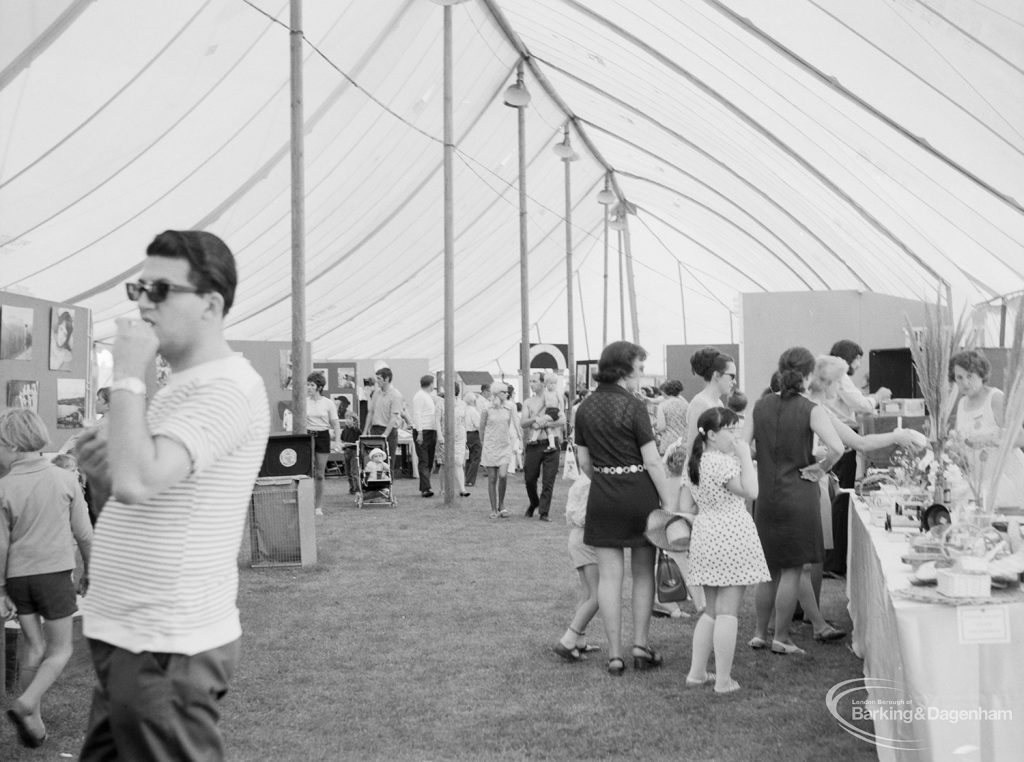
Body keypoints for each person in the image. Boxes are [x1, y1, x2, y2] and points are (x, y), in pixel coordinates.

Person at [74, 229, 270, 760]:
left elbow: (139, 482)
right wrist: (102, 472)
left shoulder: (225, 387)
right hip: (135, 634)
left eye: (159, 290)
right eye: (139, 288)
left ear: (210, 304)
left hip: (166, 641)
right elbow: (142, 489)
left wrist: (129, 373)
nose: (142, 303)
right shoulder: (186, 387)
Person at [574, 341, 674, 676]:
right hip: (639, 496)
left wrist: (606, 477)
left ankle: (615, 655)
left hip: (603, 495)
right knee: (643, 573)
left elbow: (584, 462)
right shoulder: (634, 407)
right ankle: (640, 647)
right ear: (623, 368)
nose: (641, 372)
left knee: (610, 578)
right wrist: (669, 504)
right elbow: (652, 462)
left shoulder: (583, 409)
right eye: (639, 366)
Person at [0, 408, 92, 749]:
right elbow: (84, 535)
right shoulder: (65, 479)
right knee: (60, 649)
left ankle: (35, 726)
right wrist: (90, 570)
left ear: (10, 443)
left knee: (34, 648)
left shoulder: (4, 487)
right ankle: (25, 704)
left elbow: (1, 544)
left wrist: (1, 589)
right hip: (53, 578)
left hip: (19, 581)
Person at [745, 347, 843, 656]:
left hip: (766, 496)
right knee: (791, 569)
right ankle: (782, 637)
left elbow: (742, 446)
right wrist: (820, 469)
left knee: (770, 569)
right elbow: (837, 448)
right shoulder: (810, 408)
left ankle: (760, 633)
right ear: (809, 374)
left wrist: (764, 461)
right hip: (798, 494)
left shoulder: (760, 406)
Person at [680, 407, 766, 693]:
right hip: (730, 534)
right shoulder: (721, 462)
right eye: (731, 429)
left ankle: (697, 673)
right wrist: (744, 456)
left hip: (706, 533)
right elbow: (752, 492)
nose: (736, 435)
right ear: (713, 435)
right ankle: (724, 680)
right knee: (728, 611)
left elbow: (686, 506)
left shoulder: (697, 461)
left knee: (712, 611)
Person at [950, 348, 1024, 507]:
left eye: (970, 376)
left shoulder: (996, 398)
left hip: (1007, 480)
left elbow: (1020, 437)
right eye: (959, 377)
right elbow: (963, 445)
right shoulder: (962, 404)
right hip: (980, 483)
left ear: (981, 374)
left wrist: (990, 440)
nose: (965, 382)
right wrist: (958, 454)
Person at [553, 473, 601, 661]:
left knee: (588, 593)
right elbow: (588, 514)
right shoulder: (592, 482)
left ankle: (579, 640)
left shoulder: (582, 479)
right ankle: (569, 639)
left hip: (576, 537)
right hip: (586, 538)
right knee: (597, 596)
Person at [522, 372, 564, 522]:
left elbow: (562, 420)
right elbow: (523, 423)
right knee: (529, 479)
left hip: (551, 443)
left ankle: (544, 512)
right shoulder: (528, 402)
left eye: (534, 381)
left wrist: (546, 424)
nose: (531, 384)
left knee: (548, 480)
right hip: (534, 445)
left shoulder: (553, 397)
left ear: (543, 383)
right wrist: (535, 419)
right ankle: (534, 503)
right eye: (530, 381)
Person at [302, 371, 340, 516]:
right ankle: (305, 503)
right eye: (308, 384)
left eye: (312, 385)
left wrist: (337, 441)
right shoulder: (304, 401)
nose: (309, 387)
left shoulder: (328, 403)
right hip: (307, 436)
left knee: (319, 473)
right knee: (306, 472)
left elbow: (335, 424)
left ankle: (318, 506)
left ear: (319, 387)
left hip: (322, 437)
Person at [685, 348, 737, 453]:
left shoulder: (718, 403)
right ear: (716, 375)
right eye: (731, 376)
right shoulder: (700, 403)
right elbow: (692, 446)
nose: (734, 382)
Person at [479, 382, 514, 519]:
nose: (506, 394)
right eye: (503, 392)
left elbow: (508, 424)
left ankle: (502, 504)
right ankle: (493, 508)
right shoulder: (486, 408)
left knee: (503, 475)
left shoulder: (509, 407)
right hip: (490, 445)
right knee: (492, 478)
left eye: (507, 392)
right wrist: (483, 442)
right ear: (496, 393)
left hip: (504, 445)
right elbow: (481, 427)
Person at [363, 366, 403, 469]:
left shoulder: (396, 395)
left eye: (379, 379)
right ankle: (374, 484)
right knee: (373, 461)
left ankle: (388, 484)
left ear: (387, 379)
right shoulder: (376, 393)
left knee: (388, 462)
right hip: (375, 430)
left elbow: (393, 418)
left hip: (389, 431)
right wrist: (365, 431)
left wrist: (385, 435)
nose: (377, 382)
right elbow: (370, 413)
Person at [436, 382, 470, 498]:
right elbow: (437, 420)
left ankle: (462, 489)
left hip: (460, 436)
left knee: (459, 462)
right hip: (445, 436)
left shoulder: (462, 404)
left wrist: (465, 438)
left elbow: (464, 421)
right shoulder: (440, 404)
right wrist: (440, 436)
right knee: (444, 463)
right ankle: (442, 488)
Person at [412, 374, 438, 498]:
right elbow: (417, 414)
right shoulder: (420, 396)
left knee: (429, 460)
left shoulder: (428, 396)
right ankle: (426, 488)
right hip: (423, 431)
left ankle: (425, 486)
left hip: (431, 430)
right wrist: (420, 432)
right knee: (424, 460)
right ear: (430, 384)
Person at [526, 372, 564, 452]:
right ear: (545, 384)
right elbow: (542, 404)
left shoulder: (556, 392)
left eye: (554, 383)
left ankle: (533, 439)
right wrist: (537, 412)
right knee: (547, 428)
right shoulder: (545, 393)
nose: (552, 385)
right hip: (548, 411)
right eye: (550, 383)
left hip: (554, 411)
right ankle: (552, 445)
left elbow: (561, 402)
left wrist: (562, 411)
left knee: (541, 422)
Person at [655, 379, 688, 455]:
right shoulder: (686, 404)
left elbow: (661, 427)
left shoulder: (663, 405)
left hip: (668, 443)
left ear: (664, 392)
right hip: (683, 443)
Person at [463, 392, 482, 487]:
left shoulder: (464, 410)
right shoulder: (473, 411)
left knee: (468, 458)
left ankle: (466, 478)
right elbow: (478, 425)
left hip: (465, 434)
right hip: (474, 434)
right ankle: (470, 480)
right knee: (475, 458)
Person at [340, 410, 361, 495]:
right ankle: (352, 489)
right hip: (346, 452)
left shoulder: (357, 431)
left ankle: (357, 489)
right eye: (346, 418)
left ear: (354, 420)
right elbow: (342, 440)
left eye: (350, 418)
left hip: (354, 452)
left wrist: (354, 444)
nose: (347, 420)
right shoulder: (344, 431)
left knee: (354, 472)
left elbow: (360, 442)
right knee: (348, 472)